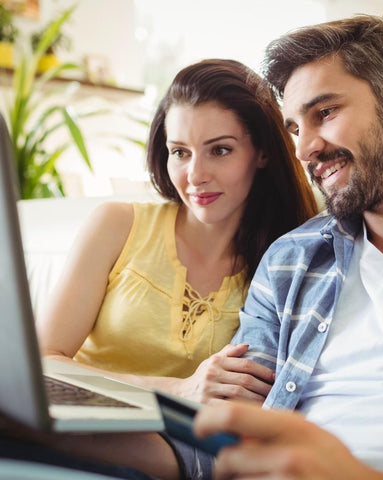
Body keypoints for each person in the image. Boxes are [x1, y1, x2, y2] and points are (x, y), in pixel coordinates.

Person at [188, 12, 383, 480]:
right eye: (295, 128)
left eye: (324, 113)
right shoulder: (291, 259)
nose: (304, 149)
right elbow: (225, 444)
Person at [0, 58, 318, 479]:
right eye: (179, 153)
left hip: (173, 450)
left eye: (220, 150)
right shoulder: (118, 224)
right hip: (80, 421)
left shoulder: (286, 262)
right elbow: (44, 358)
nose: (195, 175)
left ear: (261, 152)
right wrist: (177, 390)